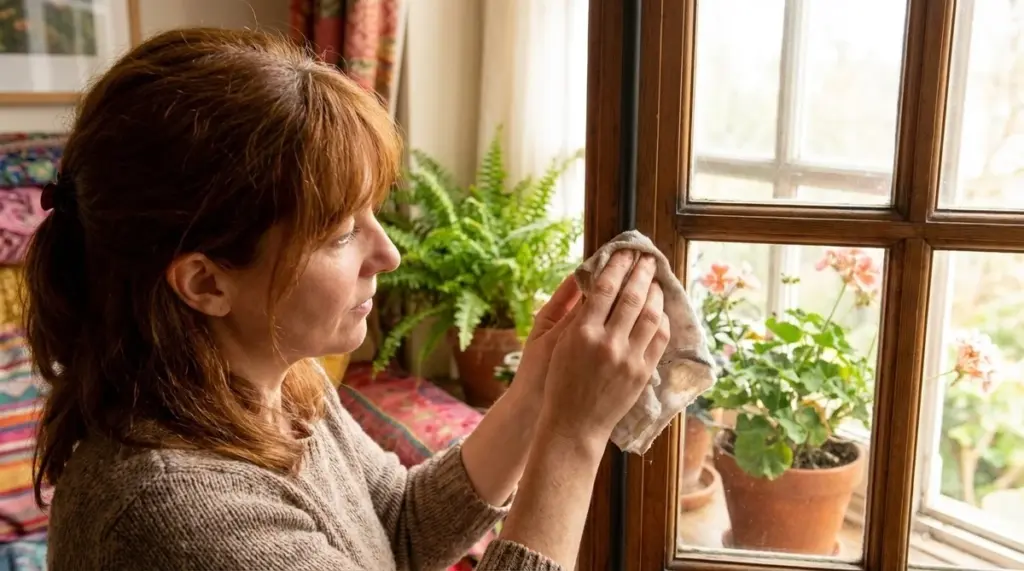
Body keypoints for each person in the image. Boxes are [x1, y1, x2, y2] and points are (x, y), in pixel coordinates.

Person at [25, 28, 669, 571]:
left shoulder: (277, 382)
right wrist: (574, 436)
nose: (388, 254)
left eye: (372, 213)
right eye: (339, 233)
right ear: (206, 283)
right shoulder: (175, 515)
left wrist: (535, 393)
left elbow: (401, 526)